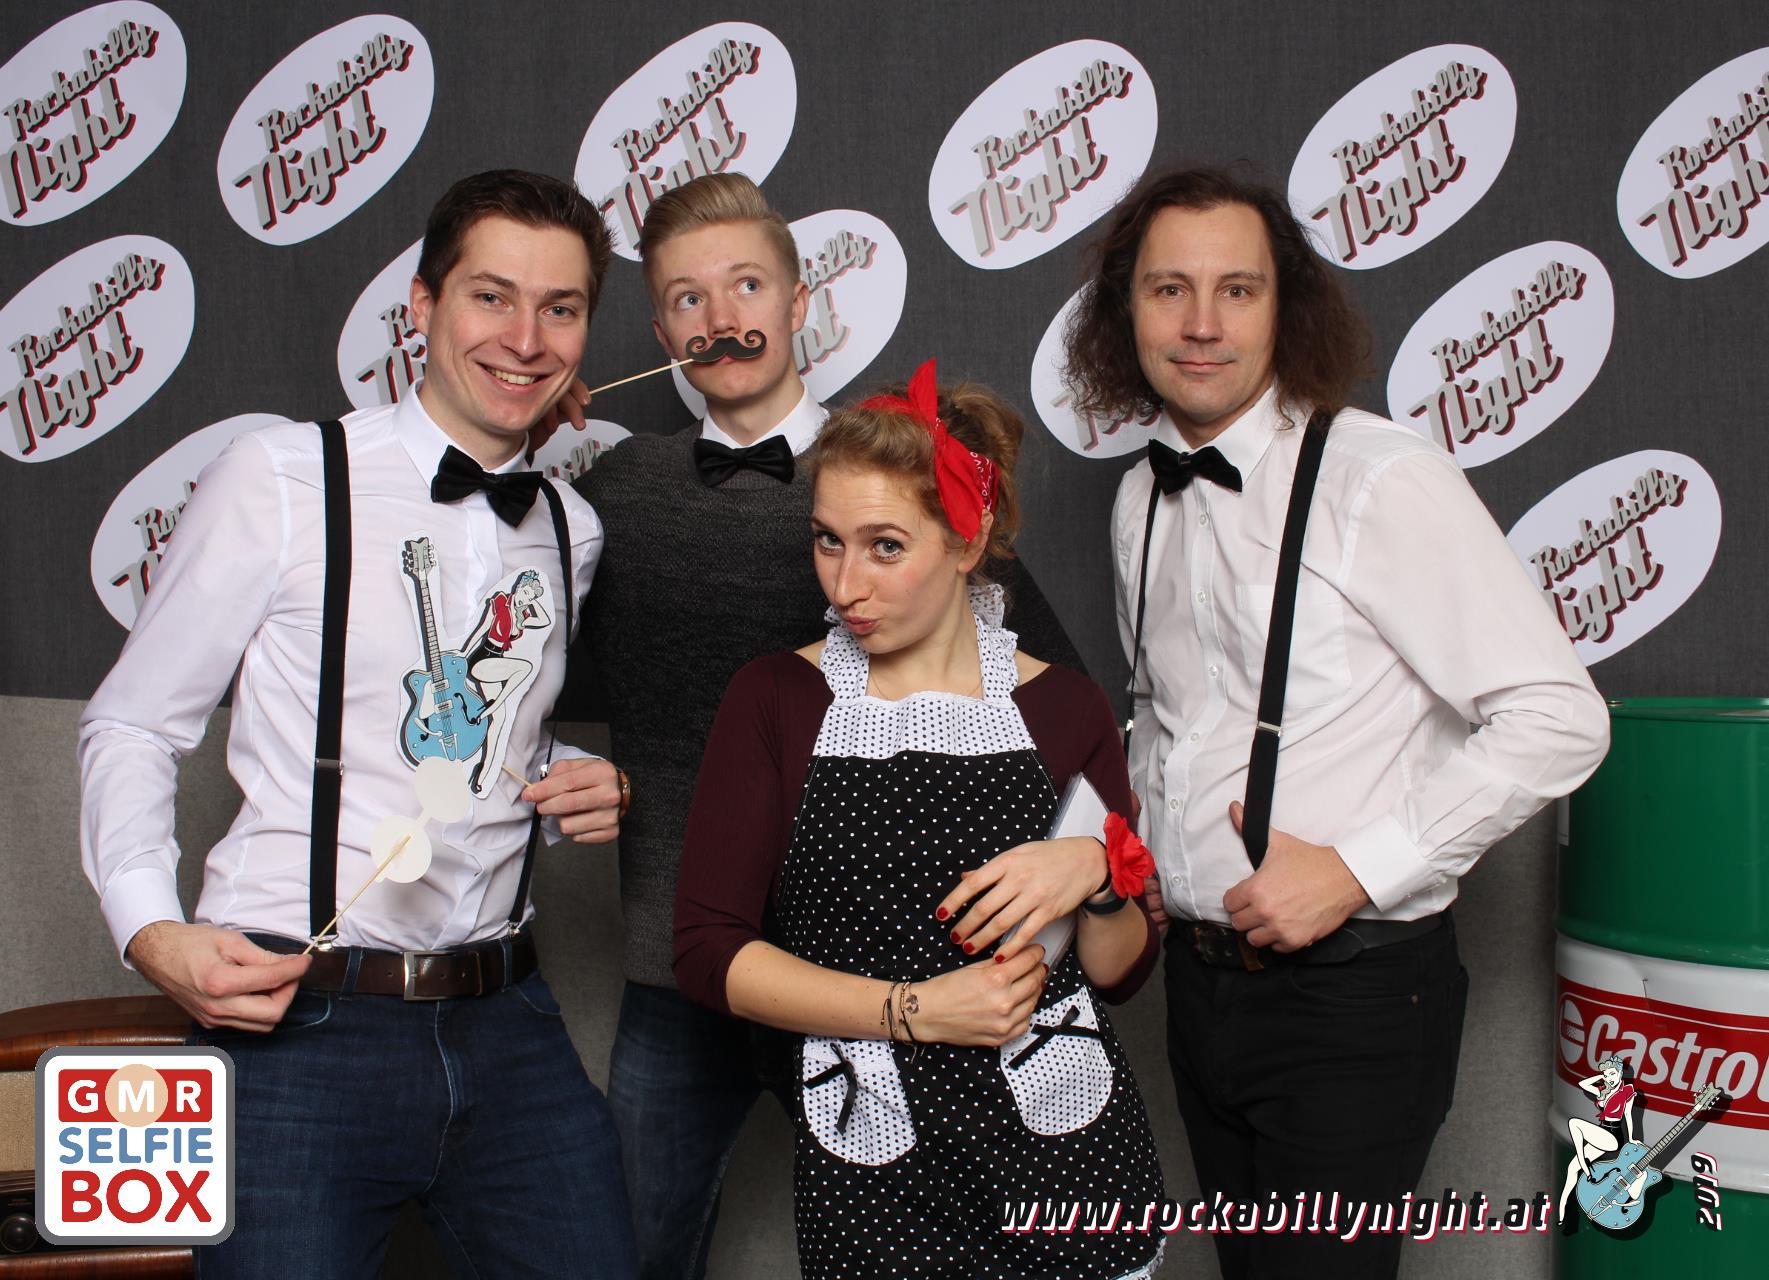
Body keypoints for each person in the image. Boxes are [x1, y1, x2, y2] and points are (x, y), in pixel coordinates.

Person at [78, 170, 637, 1278]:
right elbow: (134, 723)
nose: (526, 338)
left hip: (507, 1018)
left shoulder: (569, 527)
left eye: (560, 308)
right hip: (300, 1019)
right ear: (422, 305)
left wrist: (573, 775)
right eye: (491, 297)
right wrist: (149, 930)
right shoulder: (284, 476)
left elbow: (475, 731)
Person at [1061, 165, 1611, 1279]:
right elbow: (1164, 712)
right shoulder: (1138, 497)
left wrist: (1356, 868)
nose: (1201, 323)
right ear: (1126, 313)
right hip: (1196, 990)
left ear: (1286, 308)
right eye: (1168, 289)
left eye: (1237, 289)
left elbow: (1559, 716)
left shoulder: (1378, 478)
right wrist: (1124, 860)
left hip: (1352, 997)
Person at [567, 171, 1083, 1279]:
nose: (722, 318)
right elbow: (513, 655)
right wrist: (521, 426)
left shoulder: (894, 473)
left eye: (747, 285)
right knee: (629, 1254)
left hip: (893, 960)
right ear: (660, 332)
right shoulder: (619, 488)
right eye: (688, 299)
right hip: (683, 970)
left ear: (801, 302)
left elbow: (1062, 709)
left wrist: (1083, 858)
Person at [674, 363, 1165, 1280]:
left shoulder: (1066, 707)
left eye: (885, 547)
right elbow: (708, 954)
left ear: (966, 539)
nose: (845, 584)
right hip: (876, 1174)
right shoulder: (777, 698)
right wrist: (912, 1011)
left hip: (1066, 1158)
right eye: (827, 540)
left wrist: (1097, 874)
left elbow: (1121, 973)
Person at [1558, 1056, 1638, 1224]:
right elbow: (1583, 1084)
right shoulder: (1603, 1090)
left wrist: (1631, 1138)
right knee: (1572, 1168)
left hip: (1613, 1135)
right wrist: (1601, 1076)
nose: (1609, 1078)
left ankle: (1584, 1164)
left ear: (1620, 1073)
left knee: (1574, 1123)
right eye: (1607, 1075)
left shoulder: (1627, 1091)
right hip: (1602, 1133)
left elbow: (1628, 1116)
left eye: (1612, 1074)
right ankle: (1563, 1212)